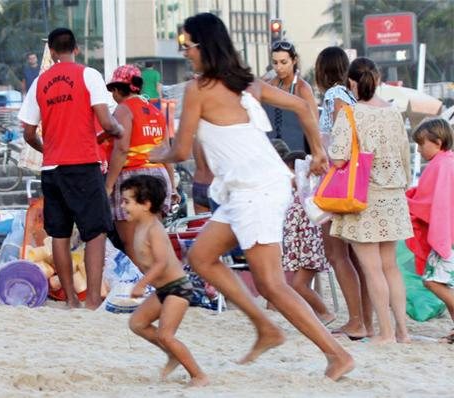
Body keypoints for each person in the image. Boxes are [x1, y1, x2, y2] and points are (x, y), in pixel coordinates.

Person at [151, 13, 353, 380]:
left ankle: (335, 354)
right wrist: (319, 152)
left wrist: (153, 155)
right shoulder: (248, 84)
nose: (184, 52)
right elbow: (304, 107)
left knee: (272, 285)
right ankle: (264, 326)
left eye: (187, 45)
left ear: (204, 46)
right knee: (201, 255)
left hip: (256, 190)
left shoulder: (200, 89)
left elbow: (180, 150)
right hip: (246, 189)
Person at [18, 27, 122, 309]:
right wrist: (118, 129)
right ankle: (92, 301)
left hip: (52, 169)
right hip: (84, 165)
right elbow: (106, 120)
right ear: (76, 49)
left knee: (59, 235)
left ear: (51, 52)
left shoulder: (40, 82)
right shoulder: (89, 75)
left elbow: (27, 132)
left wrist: (47, 150)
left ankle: (72, 301)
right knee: (95, 233)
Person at [328, 57, 412, 344]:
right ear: (376, 79)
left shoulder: (350, 113)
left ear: (351, 82)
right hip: (393, 195)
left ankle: (385, 333)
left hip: (363, 198)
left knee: (372, 268)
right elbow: (404, 155)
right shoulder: (393, 113)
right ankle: (402, 331)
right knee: (391, 267)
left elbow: (338, 157)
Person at [122, 175, 208, 387]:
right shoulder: (140, 226)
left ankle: (199, 375)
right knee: (138, 324)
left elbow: (161, 263)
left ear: (146, 204)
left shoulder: (154, 229)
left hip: (178, 288)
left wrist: (142, 284)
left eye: (127, 202)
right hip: (163, 289)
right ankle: (172, 355)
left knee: (166, 334)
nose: (123, 206)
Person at [315, 47, 372, 340]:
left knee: (336, 253)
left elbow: (338, 138)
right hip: (356, 182)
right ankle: (366, 320)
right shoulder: (354, 96)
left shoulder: (333, 96)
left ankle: (355, 321)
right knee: (355, 255)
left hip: (336, 181)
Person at [103, 64, 177, 255]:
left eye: (112, 90)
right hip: (158, 178)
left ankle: (141, 285)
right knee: (153, 243)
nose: (112, 95)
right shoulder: (155, 111)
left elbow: (121, 149)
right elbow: (166, 151)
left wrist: (109, 185)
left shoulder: (123, 110)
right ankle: (159, 283)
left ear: (118, 89)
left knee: (133, 245)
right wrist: (173, 186)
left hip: (132, 179)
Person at [406, 118, 454, 344]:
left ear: (437, 141)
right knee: (442, 282)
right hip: (448, 233)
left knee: (432, 282)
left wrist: (408, 200)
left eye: (422, 143)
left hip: (447, 234)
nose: (418, 148)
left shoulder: (442, 165)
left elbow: (435, 202)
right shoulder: (446, 162)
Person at [281, 150, 334, 325]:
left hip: (309, 249)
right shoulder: (294, 196)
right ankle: (315, 316)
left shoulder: (308, 197)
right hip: (300, 249)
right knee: (298, 285)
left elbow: (311, 226)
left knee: (299, 285)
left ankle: (324, 313)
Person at [262, 40, 318, 153]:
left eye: (283, 62)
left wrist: (316, 153)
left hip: (297, 154)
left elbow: (314, 126)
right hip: (271, 153)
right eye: (275, 62)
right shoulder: (269, 85)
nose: (279, 67)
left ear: (294, 60)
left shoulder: (302, 89)